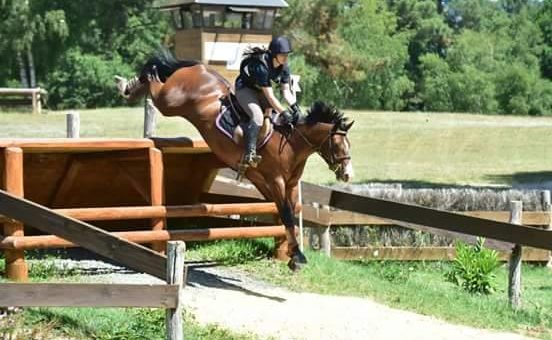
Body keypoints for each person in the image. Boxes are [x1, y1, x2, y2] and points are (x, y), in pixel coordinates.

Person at [235, 35, 301, 170]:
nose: (286, 58)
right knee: (258, 116)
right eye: (283, 55)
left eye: (287, 55)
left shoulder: (284, 67)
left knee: (273, 115)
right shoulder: (262, 67)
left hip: (260, 89)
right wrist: (284, 112)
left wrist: (295, 107)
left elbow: (286, 91)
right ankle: (250, 153)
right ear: (274, 55)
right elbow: (271, 97)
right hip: (245, 89)